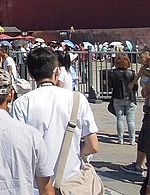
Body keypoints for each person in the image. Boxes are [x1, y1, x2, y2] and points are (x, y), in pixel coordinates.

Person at [11, 47, 99, 187]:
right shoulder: (77, 99)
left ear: (30, 74)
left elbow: (17, 148)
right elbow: (93, 146)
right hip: (71, 182)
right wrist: (77, 153)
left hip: (35, 184)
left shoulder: (22, 103)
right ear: (57, 71)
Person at [123, 50, 150, 174]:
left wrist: (146, 92)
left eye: (141, 58)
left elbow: (147, 89)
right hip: (147, 105)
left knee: (145, 136)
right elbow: (137, 78)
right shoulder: (144, 69)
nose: (140, 60)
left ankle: (141, 166)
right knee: (144, 137)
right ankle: (138, 165)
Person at [108, 52, 138, 145]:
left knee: (120, 119)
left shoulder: (112, 73)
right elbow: (136, 87)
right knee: (131, 120)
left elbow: (110, 85)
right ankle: (132, 140)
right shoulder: (131, 73)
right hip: (130, 98)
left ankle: (120, 139)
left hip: (117, 97)